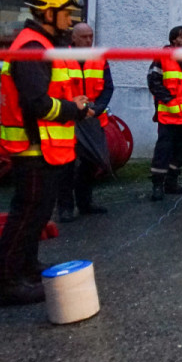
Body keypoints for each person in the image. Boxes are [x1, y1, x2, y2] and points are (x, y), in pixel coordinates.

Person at [0, 0, 90, 307]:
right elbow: (37, 104)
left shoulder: (42, 44)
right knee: (25, 216)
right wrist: (73, 109)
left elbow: (48, 96)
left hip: (45, 149)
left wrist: (71, 104)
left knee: (36, 216)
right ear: (47, 13)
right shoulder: (32, 48)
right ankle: (8, 283)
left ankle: (28, 268)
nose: (72, 20)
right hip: (34, 150)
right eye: (67, 13)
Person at [57, 22, 113, 222]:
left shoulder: (99, 58)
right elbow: (56, 89)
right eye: (84, 37)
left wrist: (96, 110)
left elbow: (108, 88)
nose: (89, 40)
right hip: (69, 120)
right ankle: (65, 207)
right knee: (67, 166)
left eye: (91, 36)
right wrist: (72, 109)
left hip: (92, 118)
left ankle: (85, 203)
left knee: (90, 164)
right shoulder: (61, 58)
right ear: (73, 38)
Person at [147, 25, 182, 202]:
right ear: (173, 40)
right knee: (163, 151)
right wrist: (169, 101)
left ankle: (171, 183)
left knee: (180, 151)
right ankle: (157, 186)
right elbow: (153, 82)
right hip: (168, 115)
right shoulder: (163, 58)